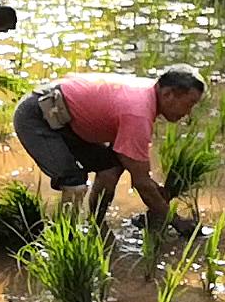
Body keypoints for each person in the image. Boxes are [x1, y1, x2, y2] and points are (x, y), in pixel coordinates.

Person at [12, 65, 206, 231]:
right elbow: (141, 183)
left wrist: (154, 193)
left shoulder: (148, 92)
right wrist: (176, 222)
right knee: (75, 183)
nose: (188, 113)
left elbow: (132, 167)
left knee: (111, 166)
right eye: (189, 104)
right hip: (37, 116)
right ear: (168, 94)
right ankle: (65, 236)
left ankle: (95, 224)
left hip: (63, 116)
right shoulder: (138, 113)